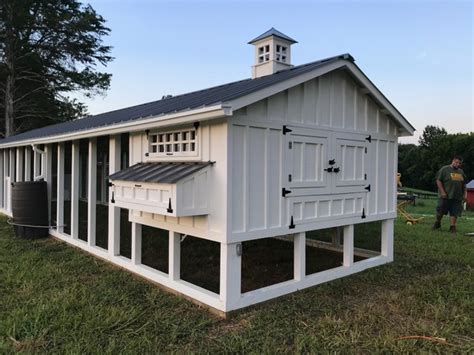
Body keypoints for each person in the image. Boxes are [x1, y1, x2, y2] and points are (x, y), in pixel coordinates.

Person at [432, 156, 467, 234]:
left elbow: (464, 184)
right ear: (453, 161)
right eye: (456, 162)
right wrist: (442, 192)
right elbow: (438, 180)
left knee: (455, 212)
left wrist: (465, 195)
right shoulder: (444, 169)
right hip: (446, 195)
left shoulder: (461, 172)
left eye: (459, 163)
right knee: (440, 211)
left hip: (457, 196)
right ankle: (437, 223)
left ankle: (452, 226)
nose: (458, 164)